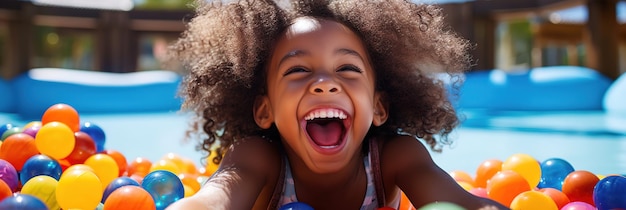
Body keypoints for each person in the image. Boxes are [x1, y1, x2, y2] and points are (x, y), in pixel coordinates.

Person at [166, 0, 509, 209]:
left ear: (378, 106)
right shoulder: (259, 158)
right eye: (298, 70)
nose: (326, 83)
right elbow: (212, 201)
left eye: (347, 68)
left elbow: (460, 204)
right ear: (264, 110)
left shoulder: (394, 158)